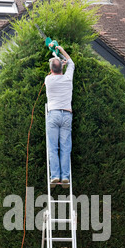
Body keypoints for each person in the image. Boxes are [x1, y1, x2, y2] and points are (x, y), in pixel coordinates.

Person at [45, 46, 75, 188]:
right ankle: (65, 178)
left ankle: (55, 176)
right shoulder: (68, 78)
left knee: (53, 147)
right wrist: (61, 51)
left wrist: (57, 61)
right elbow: (71, 63)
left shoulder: (48, 80)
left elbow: (53, 70)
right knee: (65, 148)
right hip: (66, 115)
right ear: (62, 69)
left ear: (51, 70)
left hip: (53, 114)